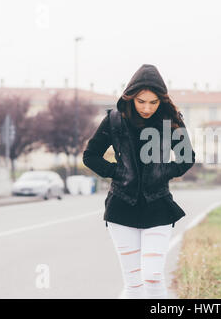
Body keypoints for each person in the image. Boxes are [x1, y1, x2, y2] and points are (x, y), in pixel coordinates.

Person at [82, 64, 195, 299]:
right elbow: (90, 156)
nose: (146, 107)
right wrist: (118, 171)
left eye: (153, 102)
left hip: (159, 207)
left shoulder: (171, 121)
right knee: (133, 284)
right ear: (131, 97)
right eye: (141, 101)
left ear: (161, 101)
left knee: (153, 276)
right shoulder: (114, 120)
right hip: (121, 208)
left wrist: (163, 172)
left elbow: (187, 158)